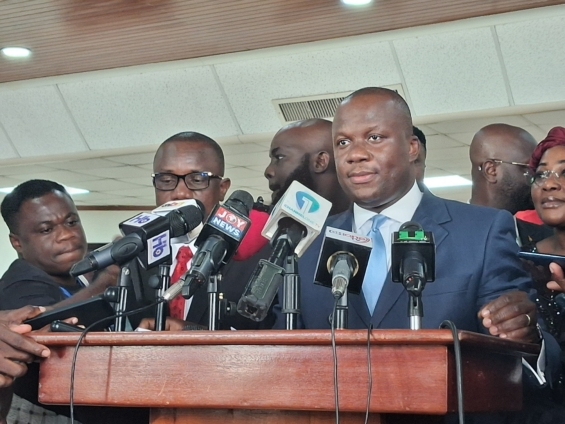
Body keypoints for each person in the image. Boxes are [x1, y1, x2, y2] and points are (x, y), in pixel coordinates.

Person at [0, 180, 145, 424]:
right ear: (17, 242)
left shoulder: (75, 276)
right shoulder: (21, 285)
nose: (66, 234)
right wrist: (104, 283)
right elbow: (42, 325)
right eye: (46, 230)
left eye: (71, 222)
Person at [140, 131, 275, 330]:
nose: (180, 193)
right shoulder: (138, 255)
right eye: (166, 180)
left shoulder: (258, 258)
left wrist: (194, 333)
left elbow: (276, 335)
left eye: (196, 180)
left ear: (222, 188)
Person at [469, 124, 551, 246]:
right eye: (529, 169)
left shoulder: (548, 238)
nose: (541, 180)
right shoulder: (446, 238)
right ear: (491, 171)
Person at [265, 118, 350, 215]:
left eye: (279, 157)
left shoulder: (360, 222)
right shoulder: (266, 222)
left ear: (320, 161)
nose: (268, 171)